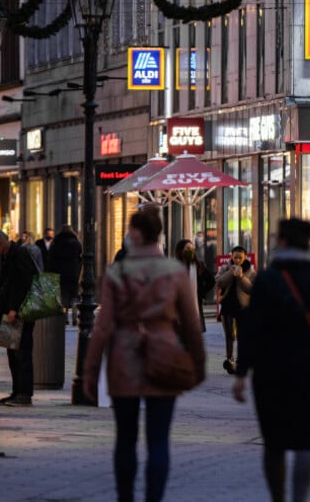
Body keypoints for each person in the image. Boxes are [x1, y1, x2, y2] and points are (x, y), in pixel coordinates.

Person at [83, 205, 206, 502]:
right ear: (159, 235)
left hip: (124, 356)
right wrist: (198, 364)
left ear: (133, 234)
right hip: (164, 353)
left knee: (125, 438)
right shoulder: (175, 272)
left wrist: (89, 369)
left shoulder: (117, 272)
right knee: (159, 439)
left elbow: (102, 327)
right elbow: (191, 325)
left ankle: (125, 497)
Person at [233, 218, 310, 502]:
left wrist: (242, 372)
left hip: (271, 371)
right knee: (308, 441)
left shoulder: (268, 279)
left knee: (275, 443)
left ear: (282, 241)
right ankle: (300, 498)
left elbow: (251, 327)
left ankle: (279, 497)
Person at [0, 228, 38, 407]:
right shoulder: (7, 255)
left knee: (22, 353)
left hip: (20, 313)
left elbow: (23, 284)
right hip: (9, 312)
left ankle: (25, 394)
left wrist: (14, 309)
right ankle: (16, 392)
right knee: (12, 352)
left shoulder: (20, 253)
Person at [215, 246, 256, 374]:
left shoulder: (251, 271)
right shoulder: (225, 268)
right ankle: (229, 360)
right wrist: (230, 273)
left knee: (242, 335)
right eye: (235, 257)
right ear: (231, 256)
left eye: (240, 257)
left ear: (245, 257)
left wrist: (241, 276)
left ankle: (241, 360)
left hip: (243, 307)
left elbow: (251, 289)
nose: (237, 260)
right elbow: (219, 282)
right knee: (229, 335)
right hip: (227, 306)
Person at [174, 238, 215, 333]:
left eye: (192, 249)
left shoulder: (198, 266)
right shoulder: (173, 266)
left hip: (195, 304)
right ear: (181, 250)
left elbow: (211, 281)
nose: (191, 251)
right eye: (188, 248)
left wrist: (200, 293)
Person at [49, 225, 83, 323]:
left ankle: (65, 317)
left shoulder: (56, 244)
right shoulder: (76, 243)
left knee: (63, 295)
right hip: (73, 273)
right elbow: (80, 258)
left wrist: (51, 272)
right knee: (74, 294)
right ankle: (74, 313)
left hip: (60, 274)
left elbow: (51, 260)